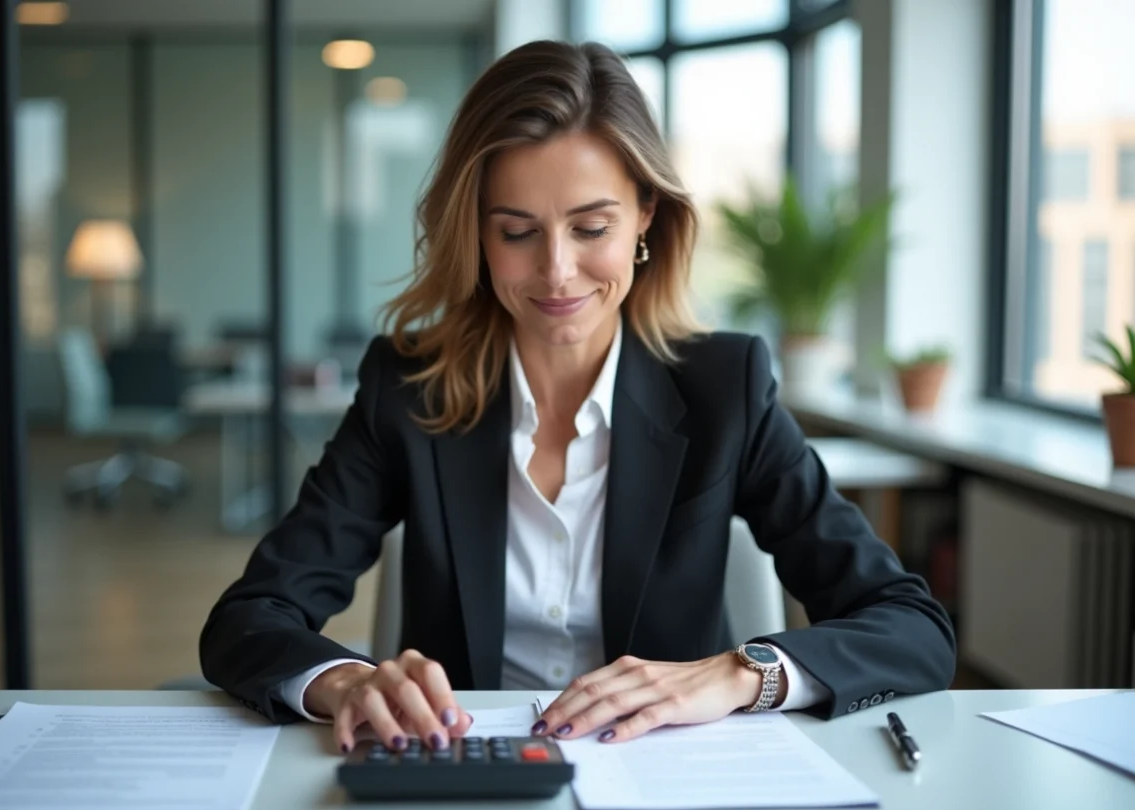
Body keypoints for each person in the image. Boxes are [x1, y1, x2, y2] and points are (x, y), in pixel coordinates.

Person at [200, 40, 955, 754]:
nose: (558, 271)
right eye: (517, 232)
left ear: (646, 215)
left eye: (591, 227)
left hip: (666, 778)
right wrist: (345, 680)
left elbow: (911, 624)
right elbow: (251, 616)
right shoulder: (405, 388)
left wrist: (740, 673)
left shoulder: (727, 388)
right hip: (469, 773)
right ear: (476, 234)